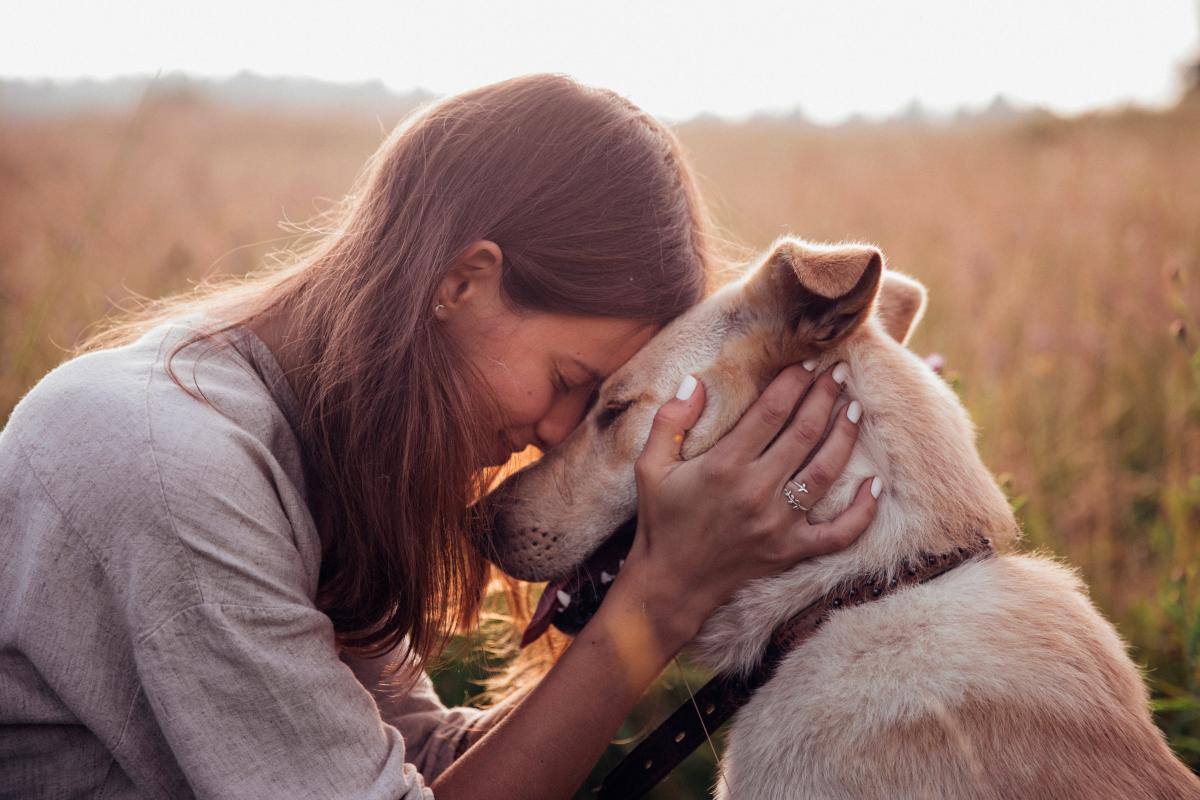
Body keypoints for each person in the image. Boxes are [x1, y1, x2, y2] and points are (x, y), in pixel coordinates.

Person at [0, 74, 878, 799]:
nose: (556, 433)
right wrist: (661, 596)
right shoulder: (170, 469)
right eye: (571, 383)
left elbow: (420, 768)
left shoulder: (312, 447)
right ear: (465, 281)